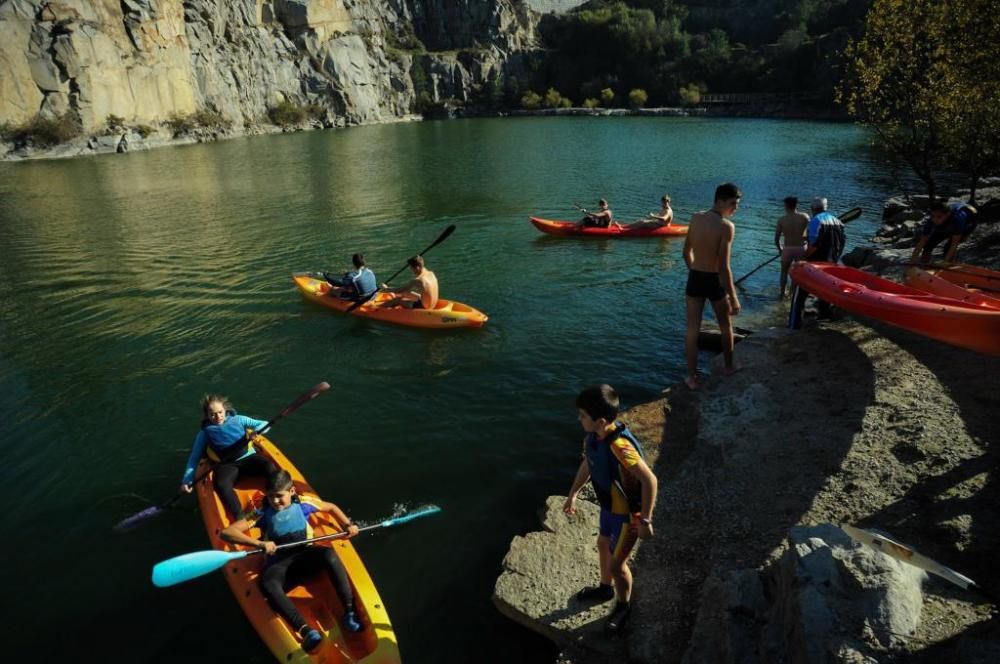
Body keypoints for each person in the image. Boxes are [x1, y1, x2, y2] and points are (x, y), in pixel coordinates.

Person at [220, 470, 363, 652]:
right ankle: (306, 631)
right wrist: (259, 543)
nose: (275, 501)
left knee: (329, 556)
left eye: (280, 496)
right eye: (271, 497)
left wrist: (348, 525)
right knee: (268, 583)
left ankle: (350, 612)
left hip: (306, 556)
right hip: (280, 565)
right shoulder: (261, 514)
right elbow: (227, 533)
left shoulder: (304, 504)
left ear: (292, 491)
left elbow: (331, 507)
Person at [563, 385, 657, 634]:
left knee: (618, 566)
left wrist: (646, 519)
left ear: (600, 420)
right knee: (603, 544)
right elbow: (588, 465)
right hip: (608, 510)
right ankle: (605, 588)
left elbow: (650, 480)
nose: (579, 419)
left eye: (582, 415)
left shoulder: (620, 447)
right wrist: (573, 493)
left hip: (628, 517)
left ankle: (624, 606)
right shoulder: (593, 438)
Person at [682, 182, 742, 390]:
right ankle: (728, 367)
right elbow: (724, 267)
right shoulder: (726, 227)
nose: (736, 208)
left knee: (692, 331)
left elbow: (685, 253)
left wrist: (695, 272)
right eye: (733, 203)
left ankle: (691, 378)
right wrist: (734, 298)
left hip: (696, 278)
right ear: (720, 201)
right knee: (726, 327)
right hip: (714, 280)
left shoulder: (695, 218)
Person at [180, 395, 277, 519]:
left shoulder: (239, 419)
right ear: (207, 415)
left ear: (225, 410)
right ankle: (240, 517)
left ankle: (275, 496)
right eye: (212, 414)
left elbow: (265, 424)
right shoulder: (204, 434)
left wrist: (257, 431)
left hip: (249, 459)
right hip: (228, 465)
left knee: (268, 465)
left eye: (220, 412)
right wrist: (186, 481)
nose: (217, 417)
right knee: (221, 484)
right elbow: (194, 459)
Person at [788, 197, 846, 329]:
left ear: (813, 209)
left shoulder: (815, 220)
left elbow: (814, 245)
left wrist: (803, 257)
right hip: (832, 264)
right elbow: (842, 243)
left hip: (815, 264)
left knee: (799, 295)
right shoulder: (838, 222)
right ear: (825, 207)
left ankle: (794, 325)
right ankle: (824, 315)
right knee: (825, 291)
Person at [911, 200, 978, 264]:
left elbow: (954, 245)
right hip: (946, 224)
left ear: (948, 214)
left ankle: (949, 267)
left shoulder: (957, 219)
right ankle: (924, 266)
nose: (935, 220)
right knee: (928, 245)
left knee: (948, 247)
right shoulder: (931, 220)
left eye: (939, 217)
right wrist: (912, 262)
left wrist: (945, 263)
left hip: (968, 223)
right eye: (933, 216)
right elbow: (921, 242)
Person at [774, 196, 810, 298]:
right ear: (796, 205)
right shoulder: (805, 217)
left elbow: (776, 239)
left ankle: (782, 293)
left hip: (787, 248)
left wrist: (780, 249)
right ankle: (792, 294)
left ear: (785, 206)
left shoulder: (782, 220)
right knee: (797, 273)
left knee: (784, 272)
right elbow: (810, 234)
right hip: (801, 248)